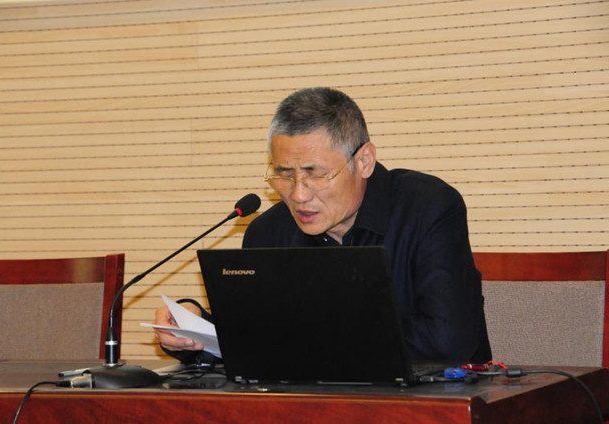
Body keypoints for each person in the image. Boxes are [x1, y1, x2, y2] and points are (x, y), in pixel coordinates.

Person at [155, 87, 491, 365]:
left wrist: (306, 339)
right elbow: (257, 339)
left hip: (425, 406)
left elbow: (448, 342)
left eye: (315, 174)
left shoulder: (427, 208)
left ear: (364, 161)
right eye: (285, 175)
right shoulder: (269, 232)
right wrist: (194, 327)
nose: (298, 195)